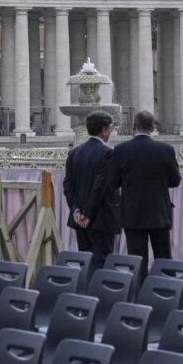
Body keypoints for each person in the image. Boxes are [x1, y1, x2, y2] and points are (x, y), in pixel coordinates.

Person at [108, 109, 181, 262]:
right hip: (159, 212)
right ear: (153, 127)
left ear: (134, 126)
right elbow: (175, 181)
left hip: (132, 213)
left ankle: (140, 279)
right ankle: (164, 279)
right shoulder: (166, 150)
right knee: (163, 259)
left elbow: (113, 182)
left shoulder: (121, 150)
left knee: (137, 261)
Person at [61, 111, 120, 261]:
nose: (110, 132)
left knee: (86, 261)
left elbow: (68, 185)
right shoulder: (108, 153)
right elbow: (100, 187)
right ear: (104, 130)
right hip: (101, 219)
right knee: (102, 263)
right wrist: (87, 215)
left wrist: (76, 211)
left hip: (79, 219)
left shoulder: (74, 153)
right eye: (110, 128)